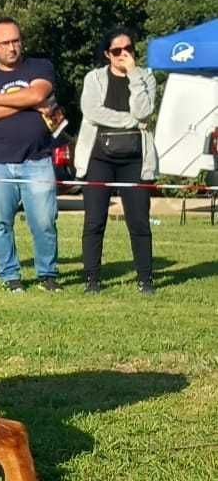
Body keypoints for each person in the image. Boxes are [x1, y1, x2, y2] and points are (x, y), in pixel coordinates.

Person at [0, 17, 62, 293]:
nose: (12, 47)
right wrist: (30, 103)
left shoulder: (40, 66)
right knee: (1, 223)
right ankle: (10, 276)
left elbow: (38, 93)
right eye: (5, 42)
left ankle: (47, 274)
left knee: (44, 221)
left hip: (37, 160)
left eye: (16, 41)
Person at [76, 28, 158, 294]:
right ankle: (92, 279)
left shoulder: (146, 77)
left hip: (135, 159)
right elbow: (92, 112)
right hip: (99, 157)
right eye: (116, 51)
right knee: (94, 221)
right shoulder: (94, 78)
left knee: (139, 221)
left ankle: (145, 279)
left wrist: (134, 74)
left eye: (128, 49)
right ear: (106, 54)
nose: (123, 55)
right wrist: (130, 121)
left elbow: (144, 111)